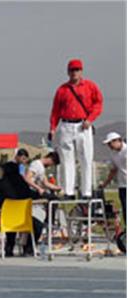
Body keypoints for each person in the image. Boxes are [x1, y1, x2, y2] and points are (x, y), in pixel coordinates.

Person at [49, 58, 103, 199]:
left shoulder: (90, 86)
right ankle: (69, 191)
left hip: (83, 126)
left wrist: (90, 119)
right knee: (67, 159)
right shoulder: (62, 90)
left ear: (81, 71)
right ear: (68, 72)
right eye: (72, 70)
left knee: (85, 158)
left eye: (77, 70)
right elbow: (55, 110)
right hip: (66, 125)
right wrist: (53, 128)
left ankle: (86, 192)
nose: (74, 72)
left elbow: (98, 104)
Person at [0, 161, 43, 257]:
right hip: (23, 220)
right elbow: (34, 195)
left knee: (7, 220)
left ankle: (9, 248)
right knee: (38, 226)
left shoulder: (0, 183)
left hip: (4, 219)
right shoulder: (23, 184)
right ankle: (28, 248)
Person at [101, 132, 127, 224]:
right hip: (122, 185)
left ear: (117, 141)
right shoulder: (113, 154)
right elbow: (113, 170)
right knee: (125, 209)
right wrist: (105, 184)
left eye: (110, 143)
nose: (109, 146)